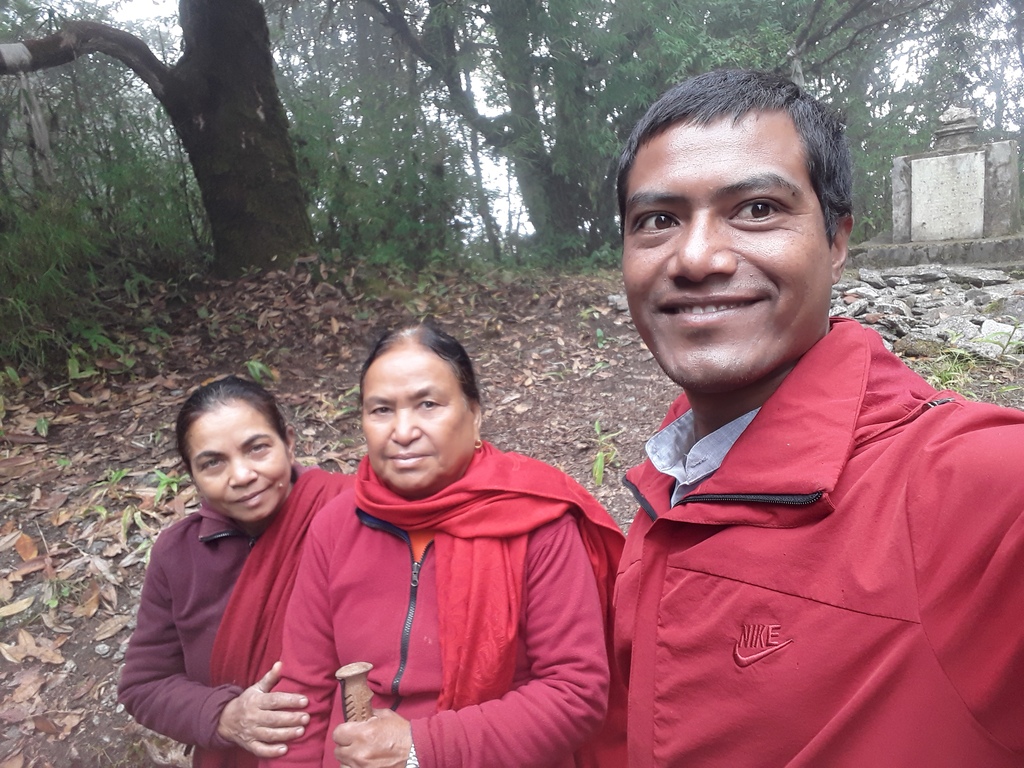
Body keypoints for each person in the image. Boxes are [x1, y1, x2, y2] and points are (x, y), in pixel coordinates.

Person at [614, 68, 1024, 767]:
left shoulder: (963, 489)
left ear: (836, 242)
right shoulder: (671, 474)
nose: (696, 257)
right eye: (658, 221)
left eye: (757, 209)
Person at [263, 323, 626, 768]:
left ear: (475, 414)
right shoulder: (336, 526)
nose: (402, 431)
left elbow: (575, 693)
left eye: (428, 405)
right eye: (381, 410)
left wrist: (421, 748)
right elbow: (304, 692)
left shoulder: (536, 521)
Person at [118, 376, 354, 768]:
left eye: (257, 448)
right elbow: (144, 685)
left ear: (289, 442)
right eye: (213, 462)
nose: (242, 475)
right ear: (192, 474)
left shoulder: (352, 513)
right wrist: (225, 716)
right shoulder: (179, 554)